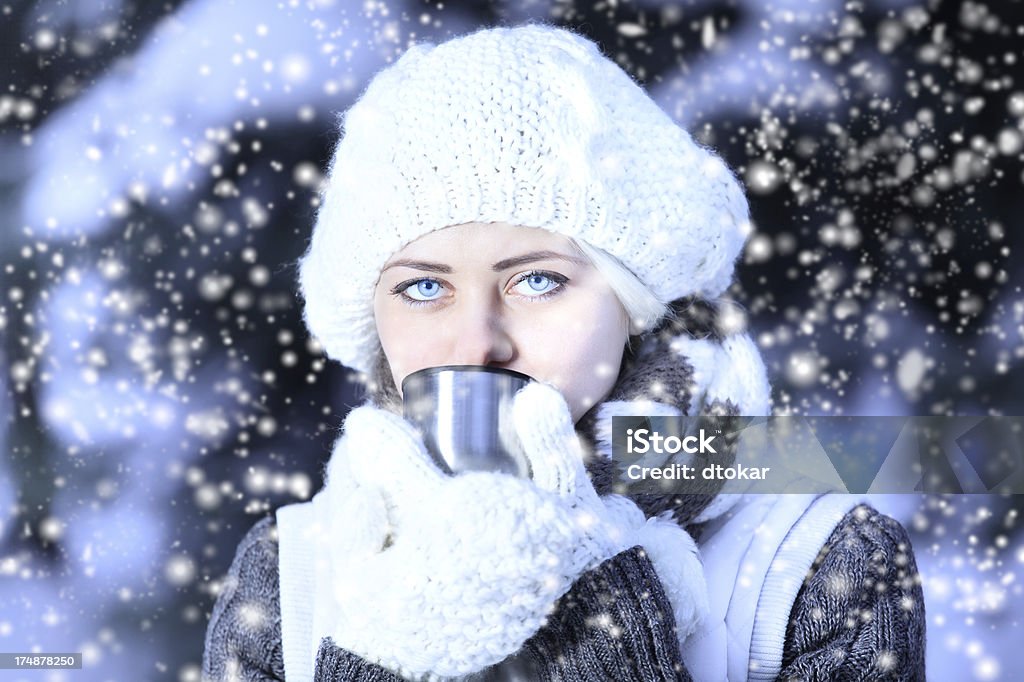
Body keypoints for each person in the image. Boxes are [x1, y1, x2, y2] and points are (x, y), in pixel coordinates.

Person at [202, 25, 926, 681]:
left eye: (537, 280)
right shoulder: (289, 573)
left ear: (633, 299)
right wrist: (399, 640)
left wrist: (590, 604)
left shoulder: (819, 564)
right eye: (424, 287)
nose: (477, 341)